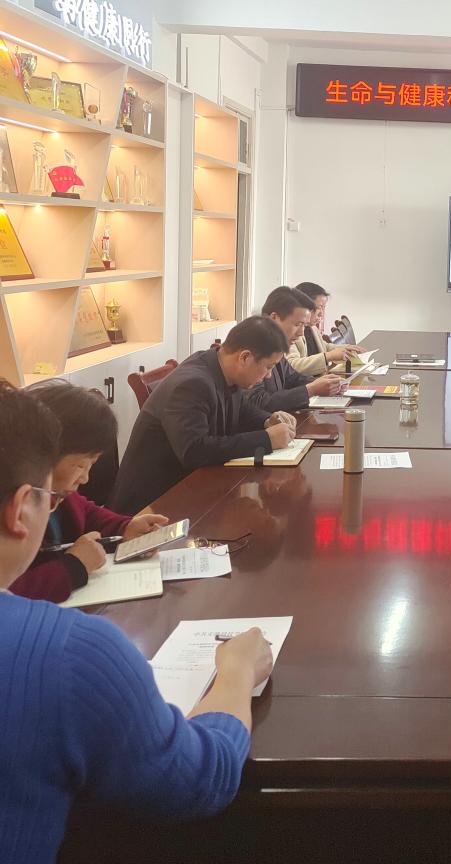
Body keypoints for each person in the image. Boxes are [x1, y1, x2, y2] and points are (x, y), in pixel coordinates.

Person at [0, 381, 274, 864]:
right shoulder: (69, 656)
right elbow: (200, 780)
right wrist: (235, 673)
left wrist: (121, 527)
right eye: (52, 498)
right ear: (22, 508)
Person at [110, 317, 297, 515]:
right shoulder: (192, 383)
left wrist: (267, 420)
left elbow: (241, 409)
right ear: (244, 357)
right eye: (268, 367)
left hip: (192, 491)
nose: (269, 376)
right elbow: (195, 451)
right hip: (151, 506)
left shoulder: (221, 367)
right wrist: (266, 440)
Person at [11, 383, 169, 603]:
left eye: (91, 464)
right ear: (45, 452)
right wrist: (73, 567)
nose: (85, 478)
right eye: (80, 465)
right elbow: (9, 593)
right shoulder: (12, 505)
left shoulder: (58, 492)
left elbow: (85, 511)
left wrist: (124, 528)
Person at [247, 287, 344, 413]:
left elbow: (293, 378)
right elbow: (259, 402)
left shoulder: (276, 344)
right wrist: (311, 390)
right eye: (298, 324)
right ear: (274, 318)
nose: (301, 333)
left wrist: (327, 384)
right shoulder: (252, 346)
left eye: (304, 325)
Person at [287, 282, 363, 377]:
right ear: (305, 306)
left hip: (320, 379)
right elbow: (292, 366)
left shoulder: (313, 328)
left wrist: (346, 348)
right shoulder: (291, 333)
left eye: (324, 308)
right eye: (319, 308)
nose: (321, 314)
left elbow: (325, 347)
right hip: (308, 383)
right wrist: (329, 356)